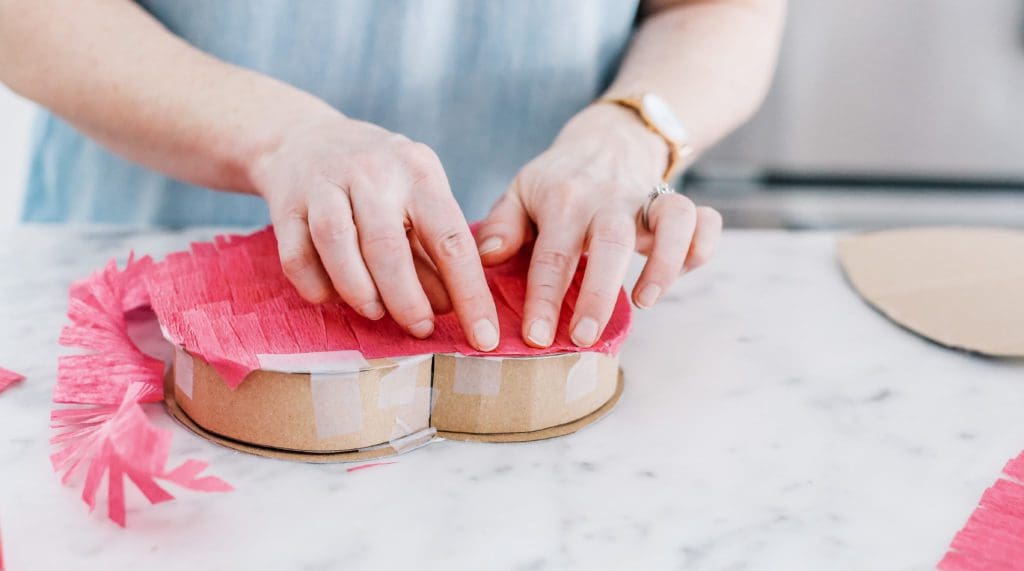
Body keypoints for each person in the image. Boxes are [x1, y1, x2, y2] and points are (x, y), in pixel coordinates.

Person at [0, 0, 785, 352]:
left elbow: (722, 7)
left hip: (533, 276)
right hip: (141, 270)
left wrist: (630, 129)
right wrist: (281, 138)